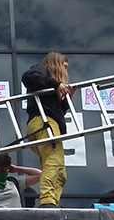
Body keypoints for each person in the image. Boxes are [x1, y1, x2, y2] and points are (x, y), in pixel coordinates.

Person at [22, 52, 75, 208]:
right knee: (53, 163)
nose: (65, 72)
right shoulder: (41, 71)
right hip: (44, 123)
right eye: (64, 68)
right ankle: (47, 201)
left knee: (60, 171)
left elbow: (58, 111)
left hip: (45, 123)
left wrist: (66, 99)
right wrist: (56, 84)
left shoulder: (49, 84)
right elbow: (28, 77)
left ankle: (53, 201)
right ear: (56, 64)